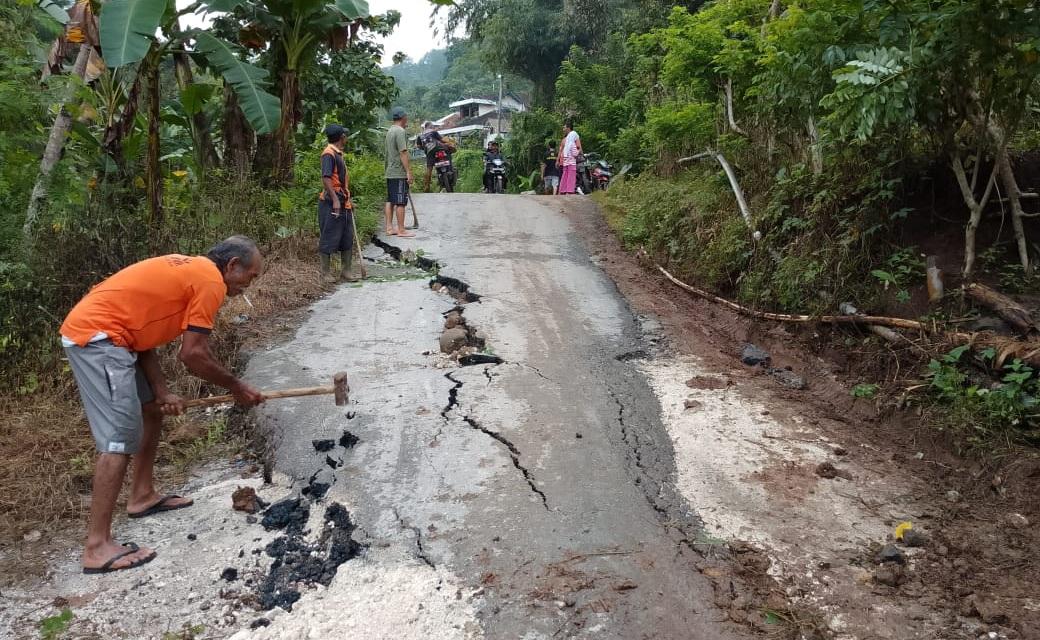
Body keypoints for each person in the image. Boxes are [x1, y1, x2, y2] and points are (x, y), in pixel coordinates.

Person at [60, 237, 266, 574]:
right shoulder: (210, 282)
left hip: (117, 336)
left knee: (151, 410)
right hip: (98, 339)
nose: (248, 286)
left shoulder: (189, 268)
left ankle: (141, 495)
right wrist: (237, 386)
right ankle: (96, 547)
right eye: (250, 276)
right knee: (118, 440)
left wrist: (161, 390)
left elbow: (143, 334)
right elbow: (193, 354)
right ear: (232, 266)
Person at [318, 124, 356, 282]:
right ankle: (325, 273)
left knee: (347, 236)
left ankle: (346, 270)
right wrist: (335, 199)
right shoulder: (329, 154)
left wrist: (348, 199)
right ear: (342, 138)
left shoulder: (337, 153)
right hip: (332, 202)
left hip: (343, 200)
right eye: (345, 136)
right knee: (329, 236)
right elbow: (326, 178)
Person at [384, 106, 414, 237]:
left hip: (390, 171)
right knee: (401, 201)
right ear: (403, 117)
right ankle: (401, 230)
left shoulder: (390, 131)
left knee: (390, 199)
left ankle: (389, 228)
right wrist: (408, 171)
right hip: (398, 171)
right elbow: (403, 152)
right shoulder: (400, 131)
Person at [417, 121, 448, 192]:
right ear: (430, 126)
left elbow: (418, 146)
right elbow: (442, 140)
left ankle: (427, 186)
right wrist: (448, 142)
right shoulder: (433, 132)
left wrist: (425, 148)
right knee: (447, 150)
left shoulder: (420, 135)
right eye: (432, 126)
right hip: (437, 148)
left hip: (429, 151)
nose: (433, 127)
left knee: (429, 168)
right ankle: (448, 168)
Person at [558, 120, 582, 195]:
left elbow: (563, 149)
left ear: (568, 128)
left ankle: (562, 190)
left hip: (565, 159)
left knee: (565, 175)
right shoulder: (574, 134)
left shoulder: (567, 137)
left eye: (564, 127)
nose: (563, 129)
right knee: (571, 175)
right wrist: (579, 153)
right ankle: (569, 191)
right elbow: (578, 147)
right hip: (571, 159)